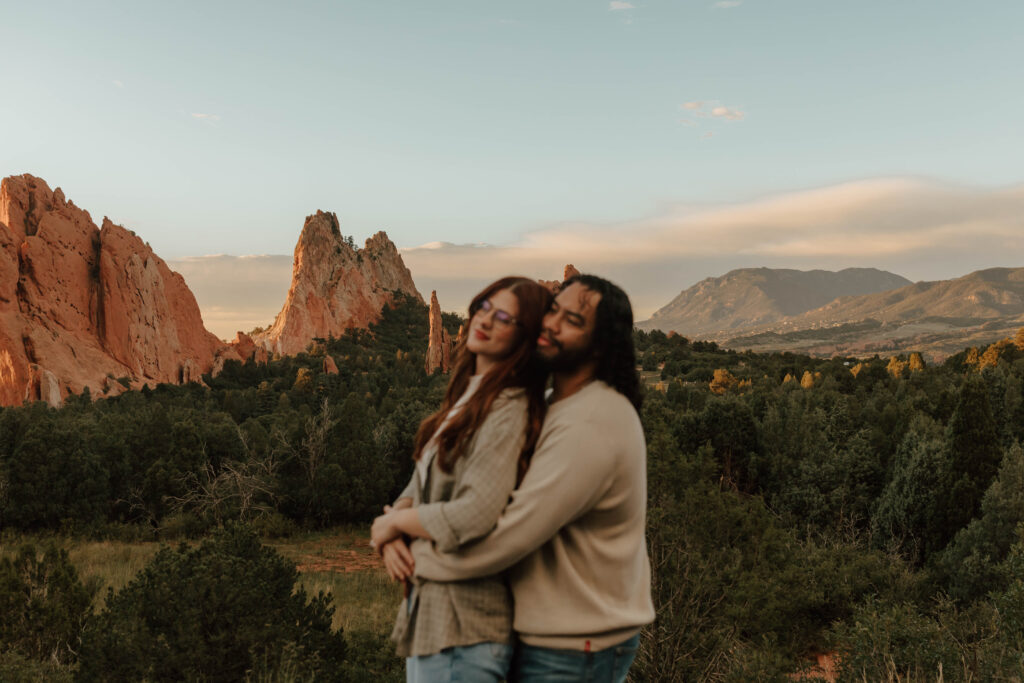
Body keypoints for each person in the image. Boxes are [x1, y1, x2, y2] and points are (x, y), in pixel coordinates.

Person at [377, 274, 655, 682]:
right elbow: (445, 464)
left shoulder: (591, 421)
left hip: (576, 642)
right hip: (546, 630)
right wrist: (400, 514)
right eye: (554, 310)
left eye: (572, 320)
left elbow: (506, 538)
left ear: (601, 345)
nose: (552, 324)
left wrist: (406, 548)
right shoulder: (550, 405)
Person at [370, 276, 552, 682]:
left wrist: (392, 523)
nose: (485, 319)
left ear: (526, 339)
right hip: (436, 624)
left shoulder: (509, 409)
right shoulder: (470, 397)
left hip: (465, 632)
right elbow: (422, 481)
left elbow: (476, 512)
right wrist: (392, 532)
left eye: (505, 317)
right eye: (485, 307)